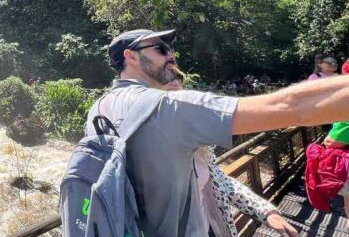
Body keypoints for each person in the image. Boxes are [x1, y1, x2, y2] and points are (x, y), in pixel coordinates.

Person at [85, 28, 349, 236]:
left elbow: (209, 177)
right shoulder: (170, 106)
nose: (172, 56)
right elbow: (288, 107)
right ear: (130, 56)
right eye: (162, 49)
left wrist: (265, 210)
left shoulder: (97, 110)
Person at [164, 69, 297, 237]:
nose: (175, 81)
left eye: (177, 77)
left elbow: (218, 180)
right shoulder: (141, 150)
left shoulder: (196, 140)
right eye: (165, 77)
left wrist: (266, 211)